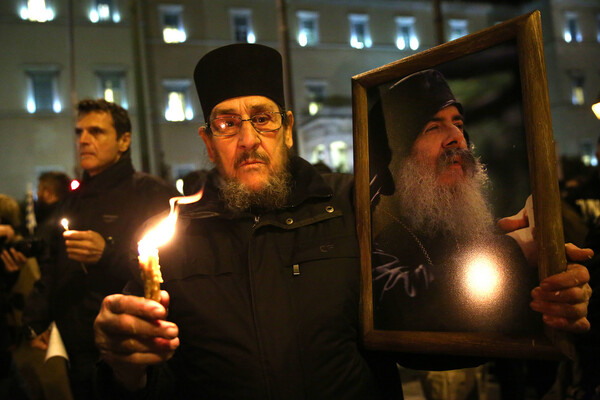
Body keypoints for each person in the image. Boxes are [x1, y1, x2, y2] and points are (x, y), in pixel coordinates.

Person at [93, 44, 592, 399]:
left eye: (262, 118)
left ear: (287, 129)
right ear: (207, 140)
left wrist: (537, 292)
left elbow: (424, 328)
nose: (248, 139)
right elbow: (146, 372)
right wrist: (125, 366)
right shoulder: (172, 238)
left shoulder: (353, 205)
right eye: (227, 123)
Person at [21, 99, 178, 399]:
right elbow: (53, 262)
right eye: (79, 132)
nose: (83, 140)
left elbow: (170, 269)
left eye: (96, 132)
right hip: (73, 344)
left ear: (124, 140)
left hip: (127, 348)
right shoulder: (74, 199)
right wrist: (35, 319)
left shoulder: (151, 193)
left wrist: (107, 253)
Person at [370, 69, 538, 333]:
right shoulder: (376, 236)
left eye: (458, 125)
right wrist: (513, 252)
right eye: (433, 128)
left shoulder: (473, 228)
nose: (456, 138)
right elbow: (398, 307)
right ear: (399, 155)